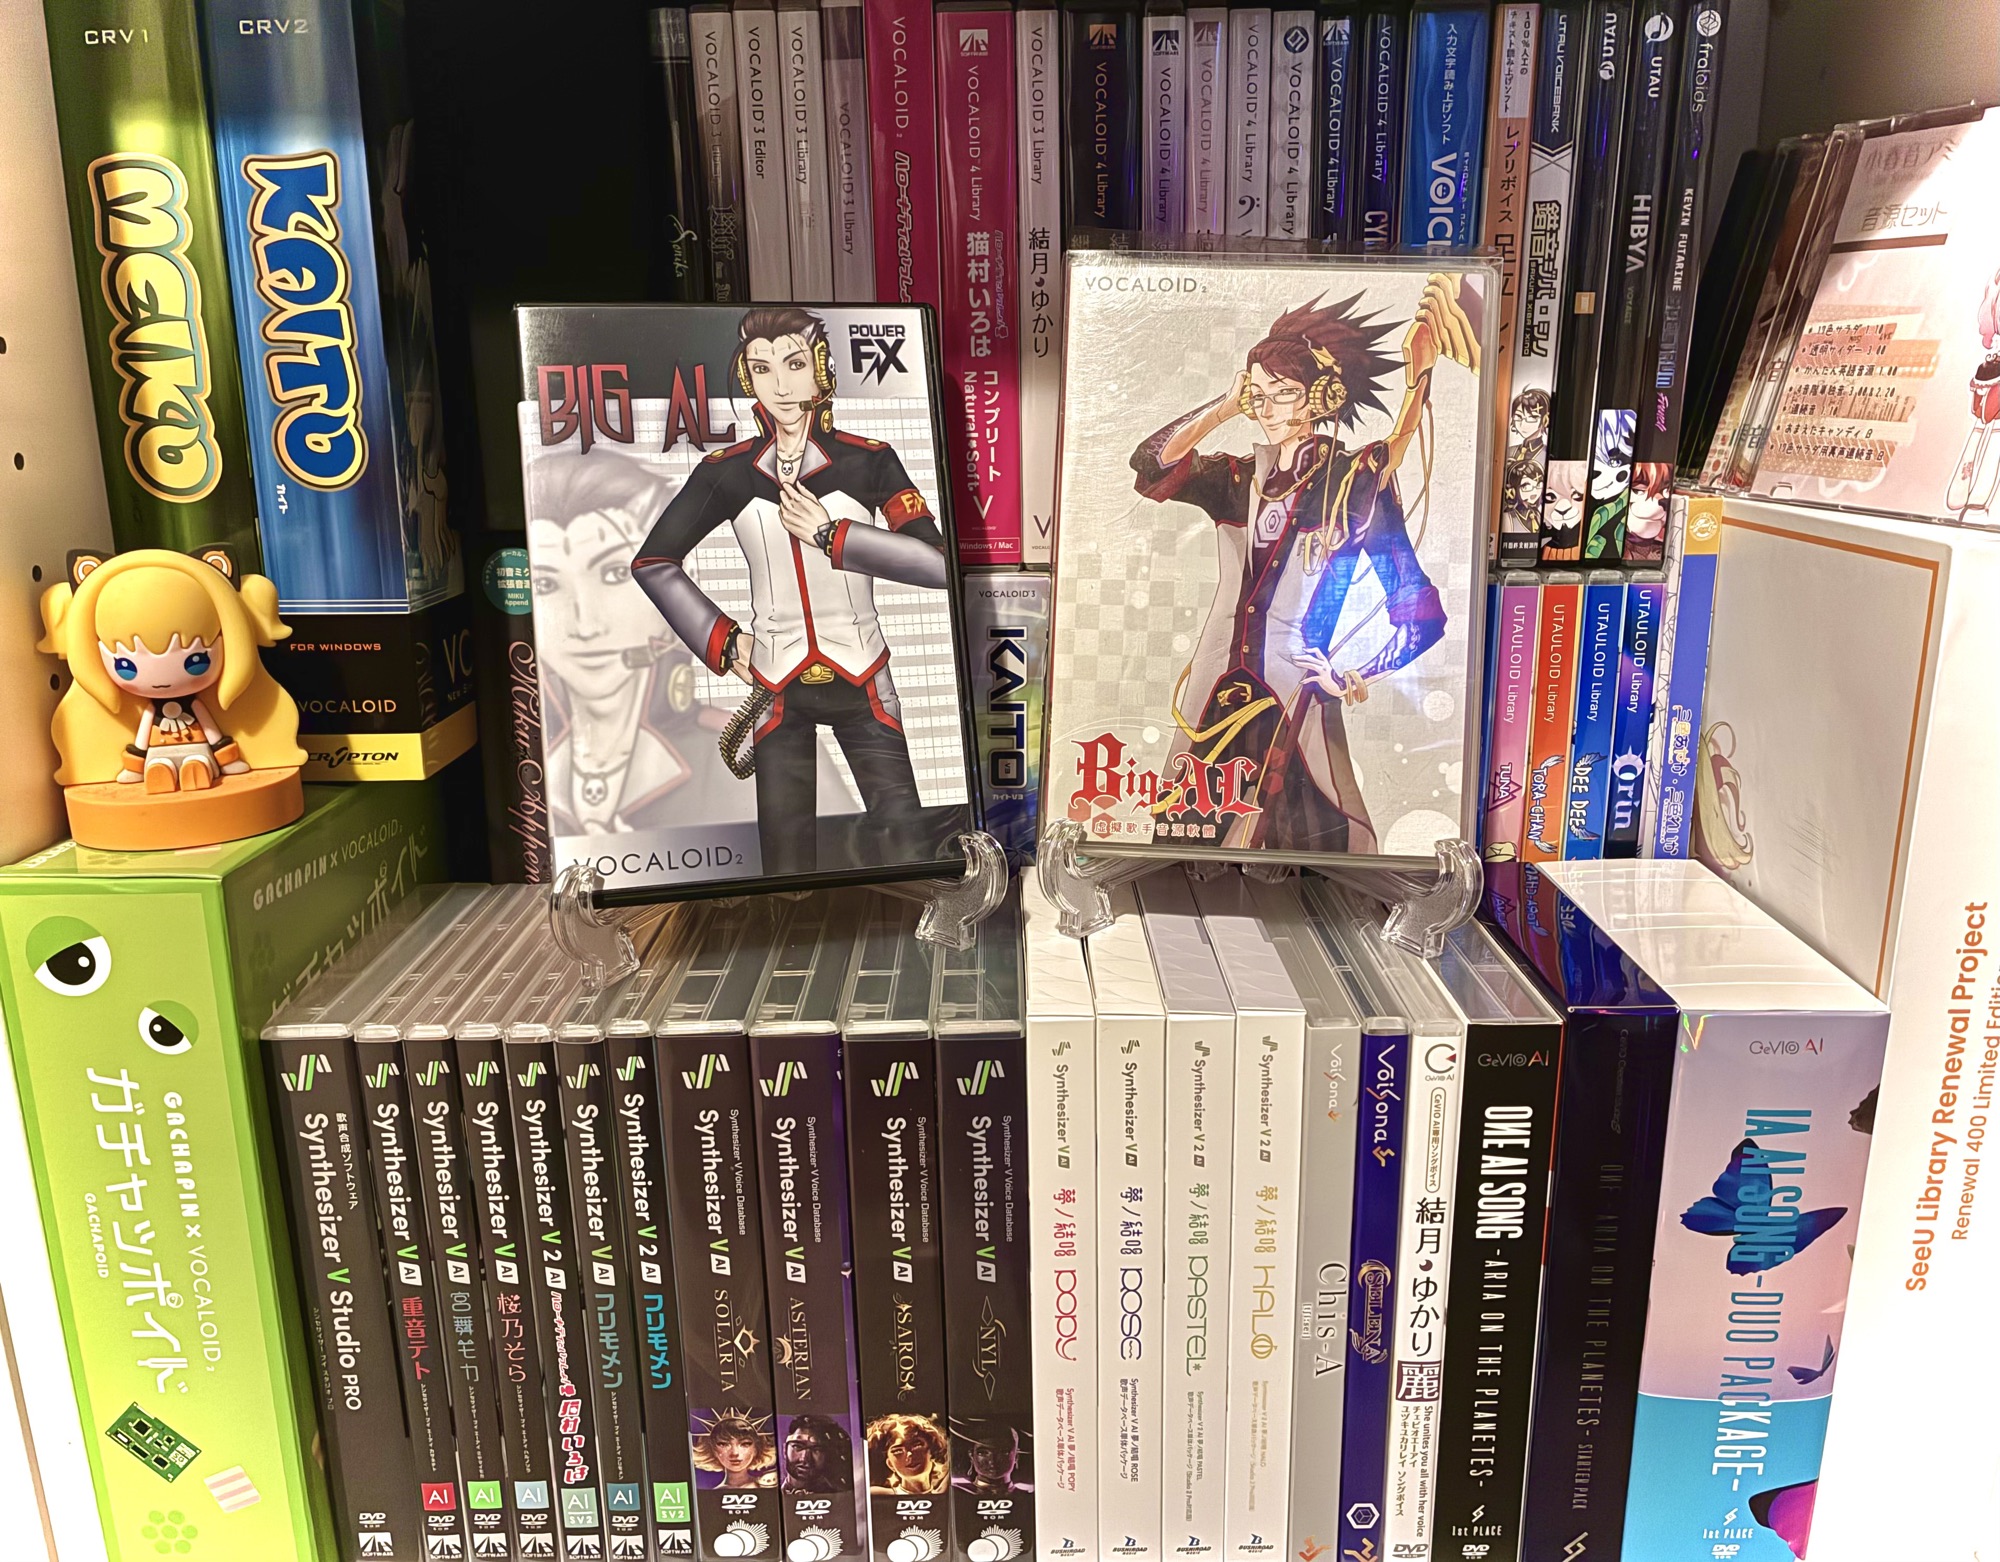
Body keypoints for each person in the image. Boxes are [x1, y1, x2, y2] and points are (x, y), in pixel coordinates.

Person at [1128, 275, 1476, 853]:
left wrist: (1353, 675)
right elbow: (1150, 469)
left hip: (1296, 704)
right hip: (1215, 699)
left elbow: (1420, 613)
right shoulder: (1236, 478)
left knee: (1316, 855)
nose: (1264, 406)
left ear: (1324, 397)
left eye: (1283, 391)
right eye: (1257, 392)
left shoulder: (1353, 484)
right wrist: (1224, 407)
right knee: (1179, 849)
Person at [632, 306, 951, 875]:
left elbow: (937, 564)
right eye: (762, 369)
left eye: (794, 364)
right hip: (777, 686)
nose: (779, 385)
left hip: (863, 680)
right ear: (747, 376)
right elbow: (654, 562)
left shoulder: (869, 459)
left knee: (908, 848)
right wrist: (723, 641)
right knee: (785, 864)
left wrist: (833, 535)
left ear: (820, 369)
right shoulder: (726, 471)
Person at [865, 1412, 949, 1495]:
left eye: (917, 1445)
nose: (909, 1454)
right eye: (898, 1451)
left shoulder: (945, 1493)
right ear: (890, 1464)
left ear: (932, 1451)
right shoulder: (877, 1494)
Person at [692, 1409, 778, 1489]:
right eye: (723, 1444)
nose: (735, 1453)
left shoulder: (770, 1485)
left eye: (745, 1444)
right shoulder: (711, 1493)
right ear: (714, 1450)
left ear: (756, 1449)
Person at [782, 1415, 854, 1494]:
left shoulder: (842, 1495)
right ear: (785, 1450)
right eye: (797, 1447)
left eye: (816, 1450)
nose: (804, 1458)